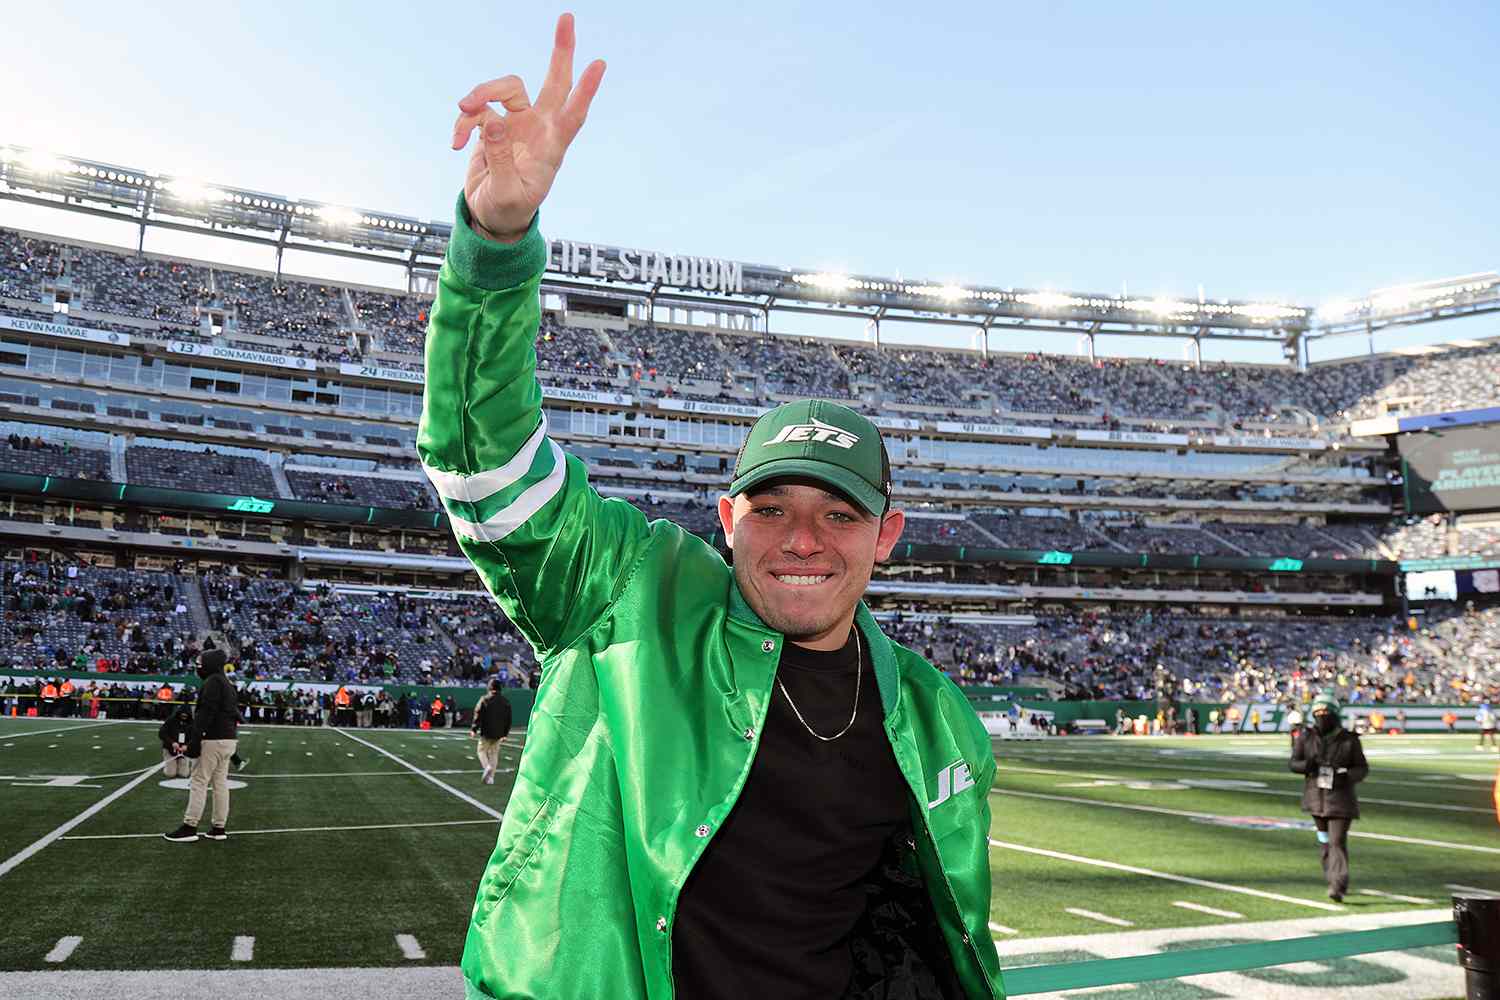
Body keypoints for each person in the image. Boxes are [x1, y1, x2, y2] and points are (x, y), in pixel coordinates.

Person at [422, 16, 1000, 997]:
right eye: (771, 508)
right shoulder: (626, 587)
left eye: (840, 514)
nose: (804, 540)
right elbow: (485, 469)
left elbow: (935, 943)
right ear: (724, 520)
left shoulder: (938, 720)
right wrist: (497, 248)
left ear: (886, 536)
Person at [1289, 692, 1368, 902]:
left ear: (1334, 713)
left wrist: (1345, 776)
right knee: (1325, 843)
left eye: (1325, 711)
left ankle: (1338, 885)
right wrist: (1308, 765)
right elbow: (1293, 763)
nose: (1321, 715)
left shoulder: (1349, 740)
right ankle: (1332, 877)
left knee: (1336, 842)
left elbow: (1362, 768)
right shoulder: (1306, 737)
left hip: (1341, 800)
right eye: (1318, 712)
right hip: (1316, 800)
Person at [163, 649, 239, 843]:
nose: (198, 667)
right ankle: (218, 827)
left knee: (199, 781)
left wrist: (195, 741)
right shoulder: (227, 683)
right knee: (220, 783)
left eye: (200, 664)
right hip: (229, 739)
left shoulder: (213, 682)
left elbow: (206, 714)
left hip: (213, 739)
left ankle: (190, 826)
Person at [469, 679, 513, 785]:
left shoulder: (485, 699)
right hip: (498, 733)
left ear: (489, 688)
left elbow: (478, 714)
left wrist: (474, 729)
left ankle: (487, 767)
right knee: (494, 754)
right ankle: (491, 778)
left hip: (487, 731)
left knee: (481, 751)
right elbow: (508, 719)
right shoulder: (505, 701)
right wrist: (505, 734)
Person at [158, 704, 194, 778]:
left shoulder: (192, 723)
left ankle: (183, 766)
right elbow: (162, 733)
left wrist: (187, 745)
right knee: (170, 774)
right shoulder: (170, 721)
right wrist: (172, 742)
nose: (184, 717)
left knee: (184, 774)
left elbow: (194, 737)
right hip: (170, 749)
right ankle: (169, 767)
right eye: (182, 715)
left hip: (184, 751)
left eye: (186, 716)